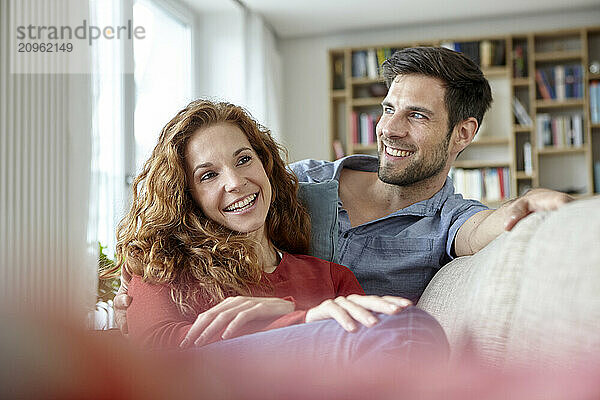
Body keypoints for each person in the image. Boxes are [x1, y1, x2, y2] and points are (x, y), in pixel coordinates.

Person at [113, 47, 571, 335]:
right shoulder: (300, 181)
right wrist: (132, 289)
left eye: (416, 115)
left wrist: (524, 208)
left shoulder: (446, 220)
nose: (389, 128)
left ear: (463, 133)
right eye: (388, 108)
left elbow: (479, 227)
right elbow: (186, 209)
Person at [115, 99, 447, 358]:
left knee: (412, 329)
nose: (235, 182)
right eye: (208, 175)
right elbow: (157, 351)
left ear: (266, 165)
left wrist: (294, 312)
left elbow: (377, 340)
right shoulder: (164, 264)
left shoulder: (331, 277)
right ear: (188, 196)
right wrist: (298, 318)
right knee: (408, 329)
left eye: (244, 159)